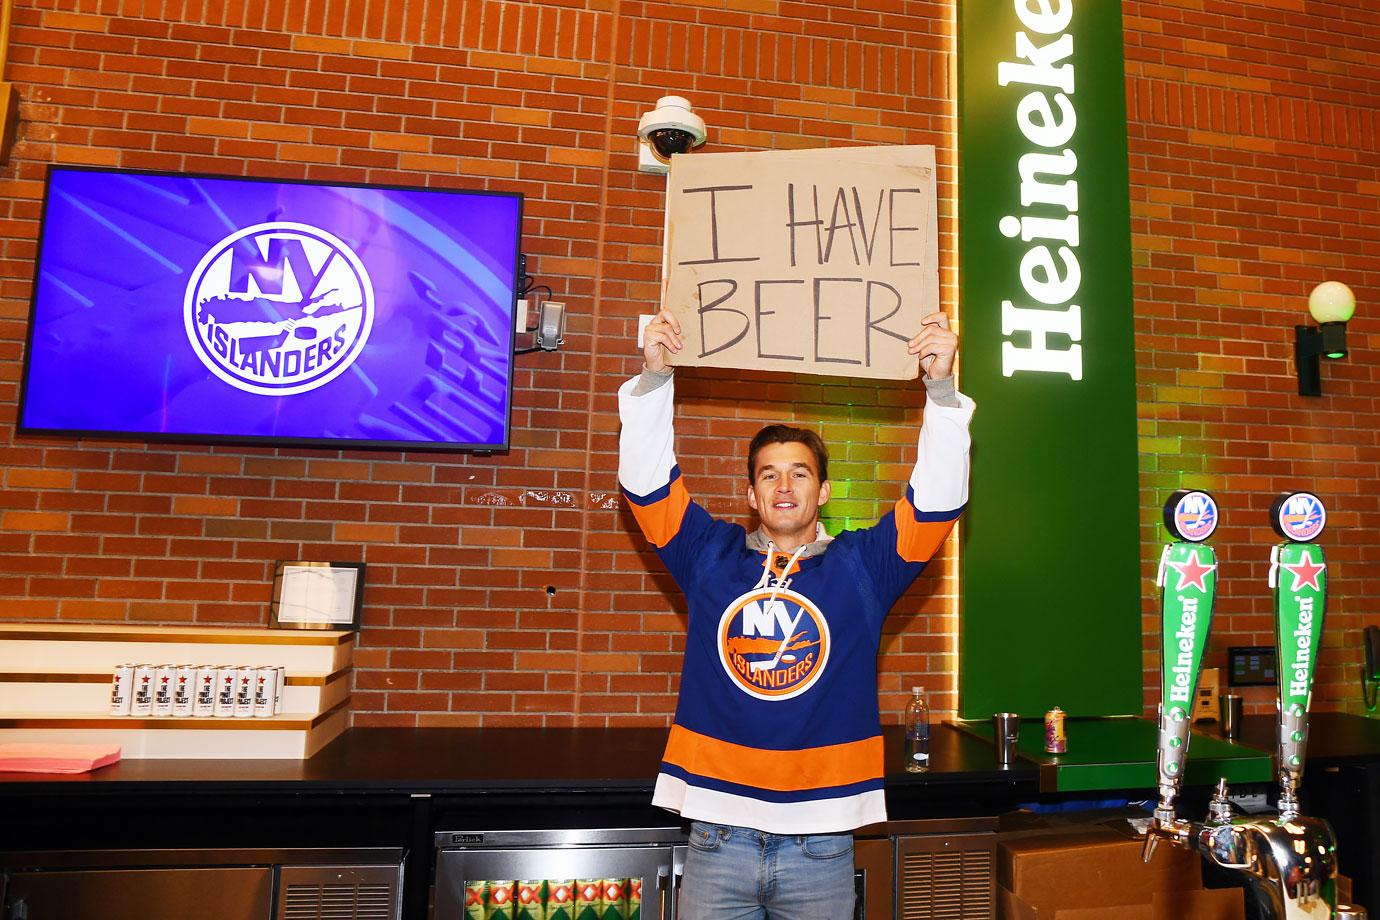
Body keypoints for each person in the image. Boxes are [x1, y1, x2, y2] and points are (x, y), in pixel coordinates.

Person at [618, 308, 973, 920]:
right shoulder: (709, 555)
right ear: (751, 495)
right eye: (769, 475)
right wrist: (654, 379)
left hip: (822, 844)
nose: (785, 487)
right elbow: (647, 486)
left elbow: (937, 502)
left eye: (800, 473)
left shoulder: (864, 565)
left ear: (824, 490)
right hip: (716, 835)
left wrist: (939, 391)